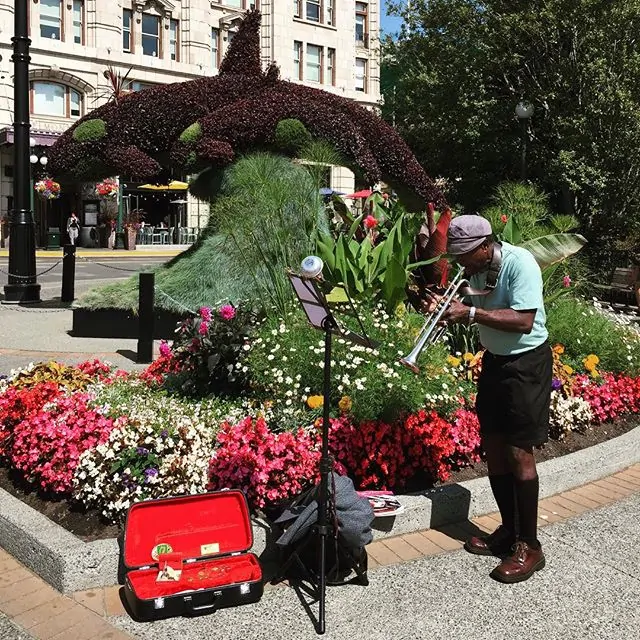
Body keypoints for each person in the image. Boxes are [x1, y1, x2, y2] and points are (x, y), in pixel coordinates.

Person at [432, 214, 552, 583]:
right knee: (495, 447)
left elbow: (523, 321)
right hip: (495, 363)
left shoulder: (520, 264)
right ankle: (508, 531)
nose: (462, 263)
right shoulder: (477, 269)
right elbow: (469, 301)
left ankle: (529, 546)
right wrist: (437, 302)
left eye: (466, 255)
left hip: (526, 364)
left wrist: (469, 313)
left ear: (486, 246)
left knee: (519, 452)